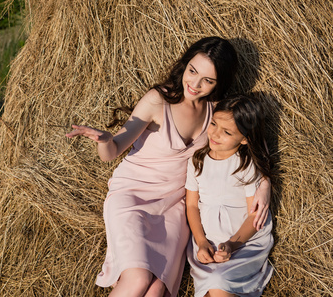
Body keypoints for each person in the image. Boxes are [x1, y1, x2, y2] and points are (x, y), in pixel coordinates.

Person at [65, 37, 271, 297]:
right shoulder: (157, 101)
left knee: (156, 289)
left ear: (220, 83)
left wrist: (265, 184)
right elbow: (114, 150)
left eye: (208, 80)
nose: (195, 84)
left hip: (177, 206)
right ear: (185, 65)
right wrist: (106, 140)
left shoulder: (217, 112)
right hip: (134, 194)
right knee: (138, 280)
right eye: (192, 71)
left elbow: (253, 150)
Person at [185, 95, 274, 297]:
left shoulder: (245, 165)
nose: (215, 134)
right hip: (207, 241)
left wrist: (233, 244)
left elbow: (253, 216)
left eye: (226, 132)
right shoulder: (197, 161)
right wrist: (201, 242)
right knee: (215, 287)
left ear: (244, 139)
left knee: (219, 283)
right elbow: (191, 206)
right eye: (214, 124)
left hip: (243, 241)